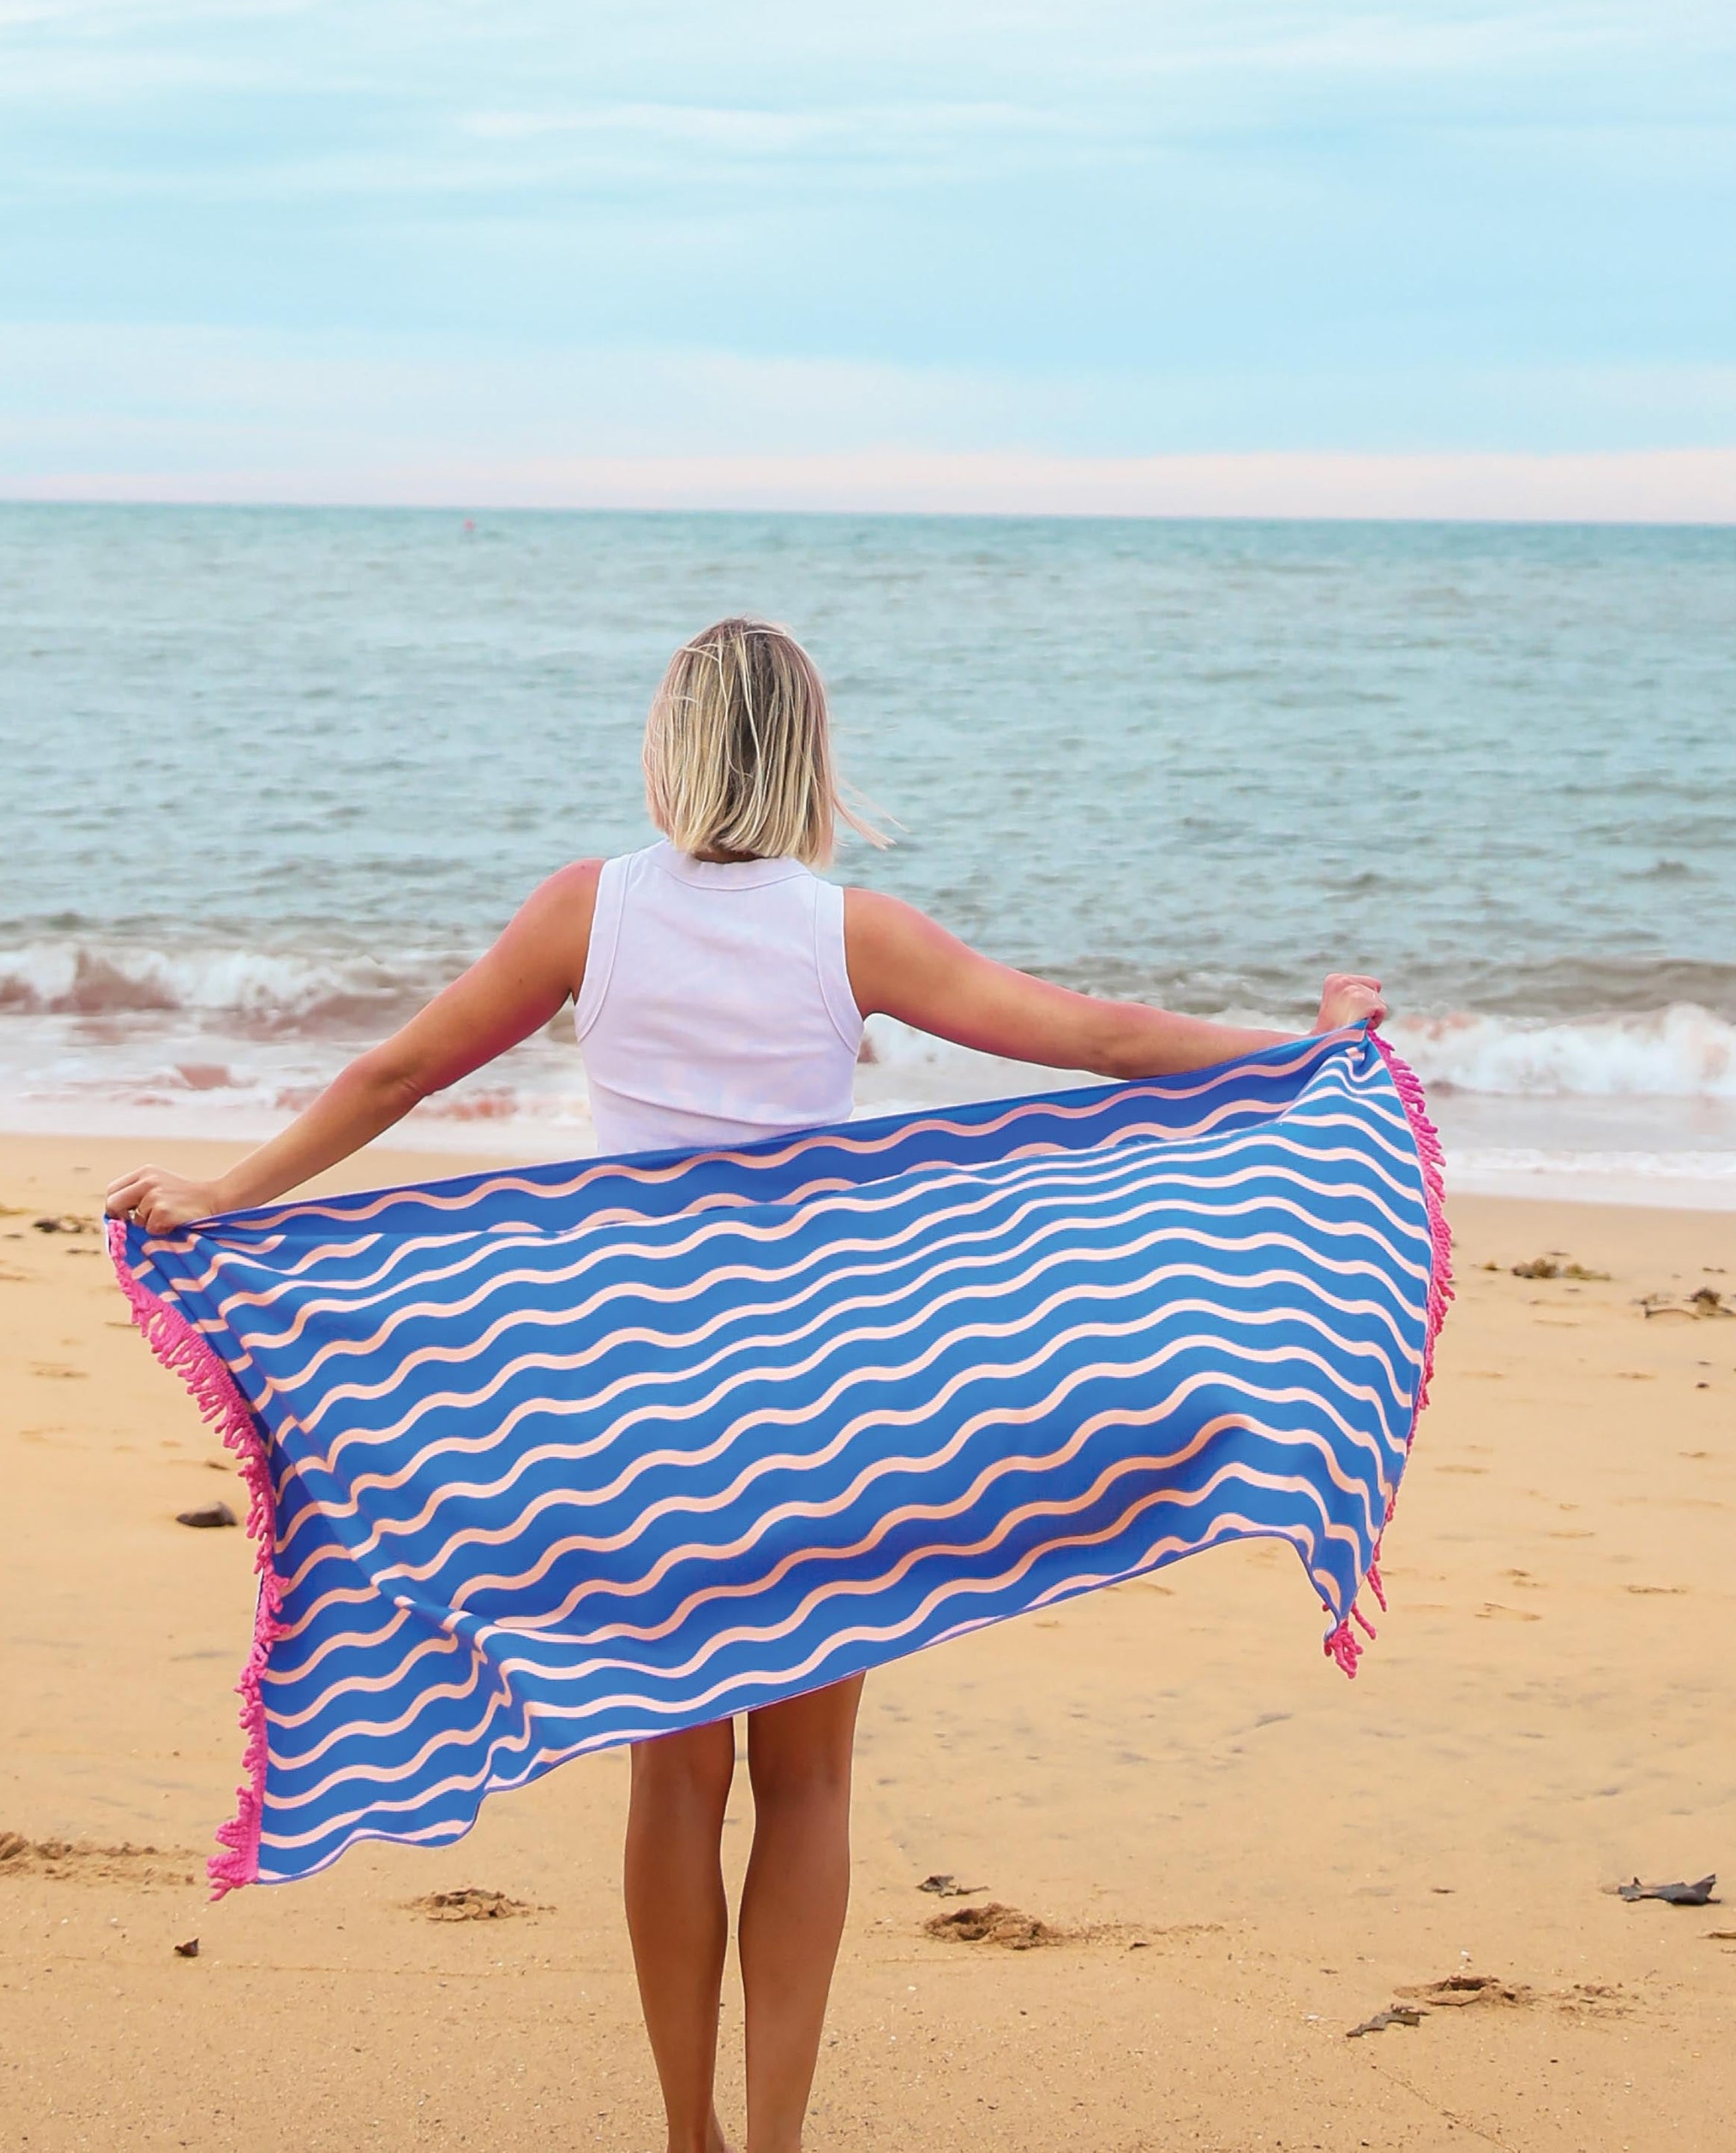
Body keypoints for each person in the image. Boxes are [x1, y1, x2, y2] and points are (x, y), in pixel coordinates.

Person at [107, 615, 1385, 2153]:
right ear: (810, 760)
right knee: (810, 1783)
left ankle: (687, 2136)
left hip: (635, 1407)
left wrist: (227, 1192)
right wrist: (1310, 1049)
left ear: (669, 748)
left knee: (673, 1777)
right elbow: (1102, 1040)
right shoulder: (854, 933)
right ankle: (771, 2142)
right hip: (824, 1405)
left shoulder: (585, 912)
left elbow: (396, 1073)